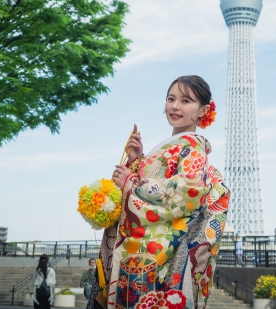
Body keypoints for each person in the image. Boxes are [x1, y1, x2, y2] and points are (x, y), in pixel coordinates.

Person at [95, 75, 230, 309]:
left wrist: (131, 184)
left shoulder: (192, 147)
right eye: (171, 98)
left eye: (186, 101)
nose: (175, 106)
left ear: (203, 110)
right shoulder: (177, 144)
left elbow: (186, 192)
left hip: (158, 252)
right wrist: (138, 160)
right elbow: (162, 181)